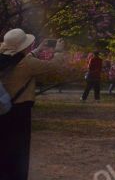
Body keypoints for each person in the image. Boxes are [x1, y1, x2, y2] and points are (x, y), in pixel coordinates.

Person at [0, 29, 66, 180]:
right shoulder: (27, 64)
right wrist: (59, 51)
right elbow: (54, 66)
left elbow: (21, 59)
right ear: (23, 47)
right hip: (19, 112)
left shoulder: (4, 58)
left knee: (3, 150)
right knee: (19, 152)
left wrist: (38, 49)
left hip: (3, 109)